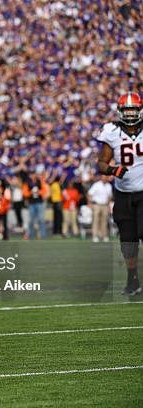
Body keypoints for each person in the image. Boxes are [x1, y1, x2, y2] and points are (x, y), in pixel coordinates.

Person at [96, 91, 142, 295]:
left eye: (134, 110)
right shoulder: (111, 131)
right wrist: (113, 170)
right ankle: (133, 280)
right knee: (128, 240)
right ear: (120, 111)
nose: (131, 114)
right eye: (127, 110)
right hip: (123, 194)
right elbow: (101, 163)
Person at [87, 175, 113, 243]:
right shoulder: (96, 185)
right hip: (96, 205)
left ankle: (104, 236)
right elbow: (89, 194)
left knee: (104, 221)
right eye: (103, 177)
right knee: (95, 221)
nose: (104, 178)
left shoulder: (109, 186)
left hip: (104, 205)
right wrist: (89, 203)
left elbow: (109, 197)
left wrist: (108, 206)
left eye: (106, 177)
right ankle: (95, 236)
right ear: (101, 178)